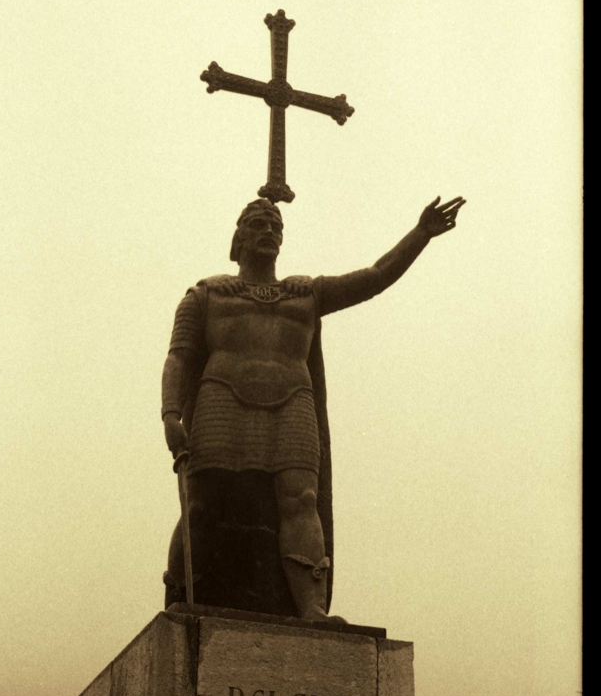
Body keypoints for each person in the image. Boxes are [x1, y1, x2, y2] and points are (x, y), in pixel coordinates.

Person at [161, 194, 466, 621]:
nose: (269, 231)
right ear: (238, 239)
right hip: (222, 402)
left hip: (292, 404)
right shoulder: (207, 294)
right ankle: (180, 592)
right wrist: (171, 414)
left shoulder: (304, 294)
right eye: (258, 224)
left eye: (276, 226)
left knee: (301, 500)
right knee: (202, 503)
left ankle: (311, 608)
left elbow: (374, 277)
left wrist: (420, 234)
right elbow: (179, 356)